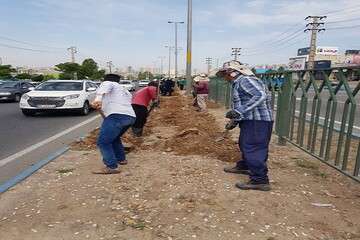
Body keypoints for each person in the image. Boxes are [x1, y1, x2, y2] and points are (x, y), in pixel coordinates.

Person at [216, 61, 273, 191]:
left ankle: (260, 180)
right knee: (244, 144)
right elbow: (242, 105)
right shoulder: (238, 84)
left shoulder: (245, 80)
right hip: (250, 121)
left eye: (225, 74)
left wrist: (239, 112)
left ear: (232, 72)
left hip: (258, 121)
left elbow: (260, 95)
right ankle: (246, 165)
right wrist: (234, 122)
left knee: (253, 148)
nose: (225, 78)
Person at [91, 74, 136, 174]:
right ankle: (121, 159)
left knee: (103, 142)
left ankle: (111, 166)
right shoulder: (124, 90)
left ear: (105, 80)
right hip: (130, 117)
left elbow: (104, 88)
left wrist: (98, 100)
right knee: (114, 138)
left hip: (116, 116)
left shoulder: (108, 83)